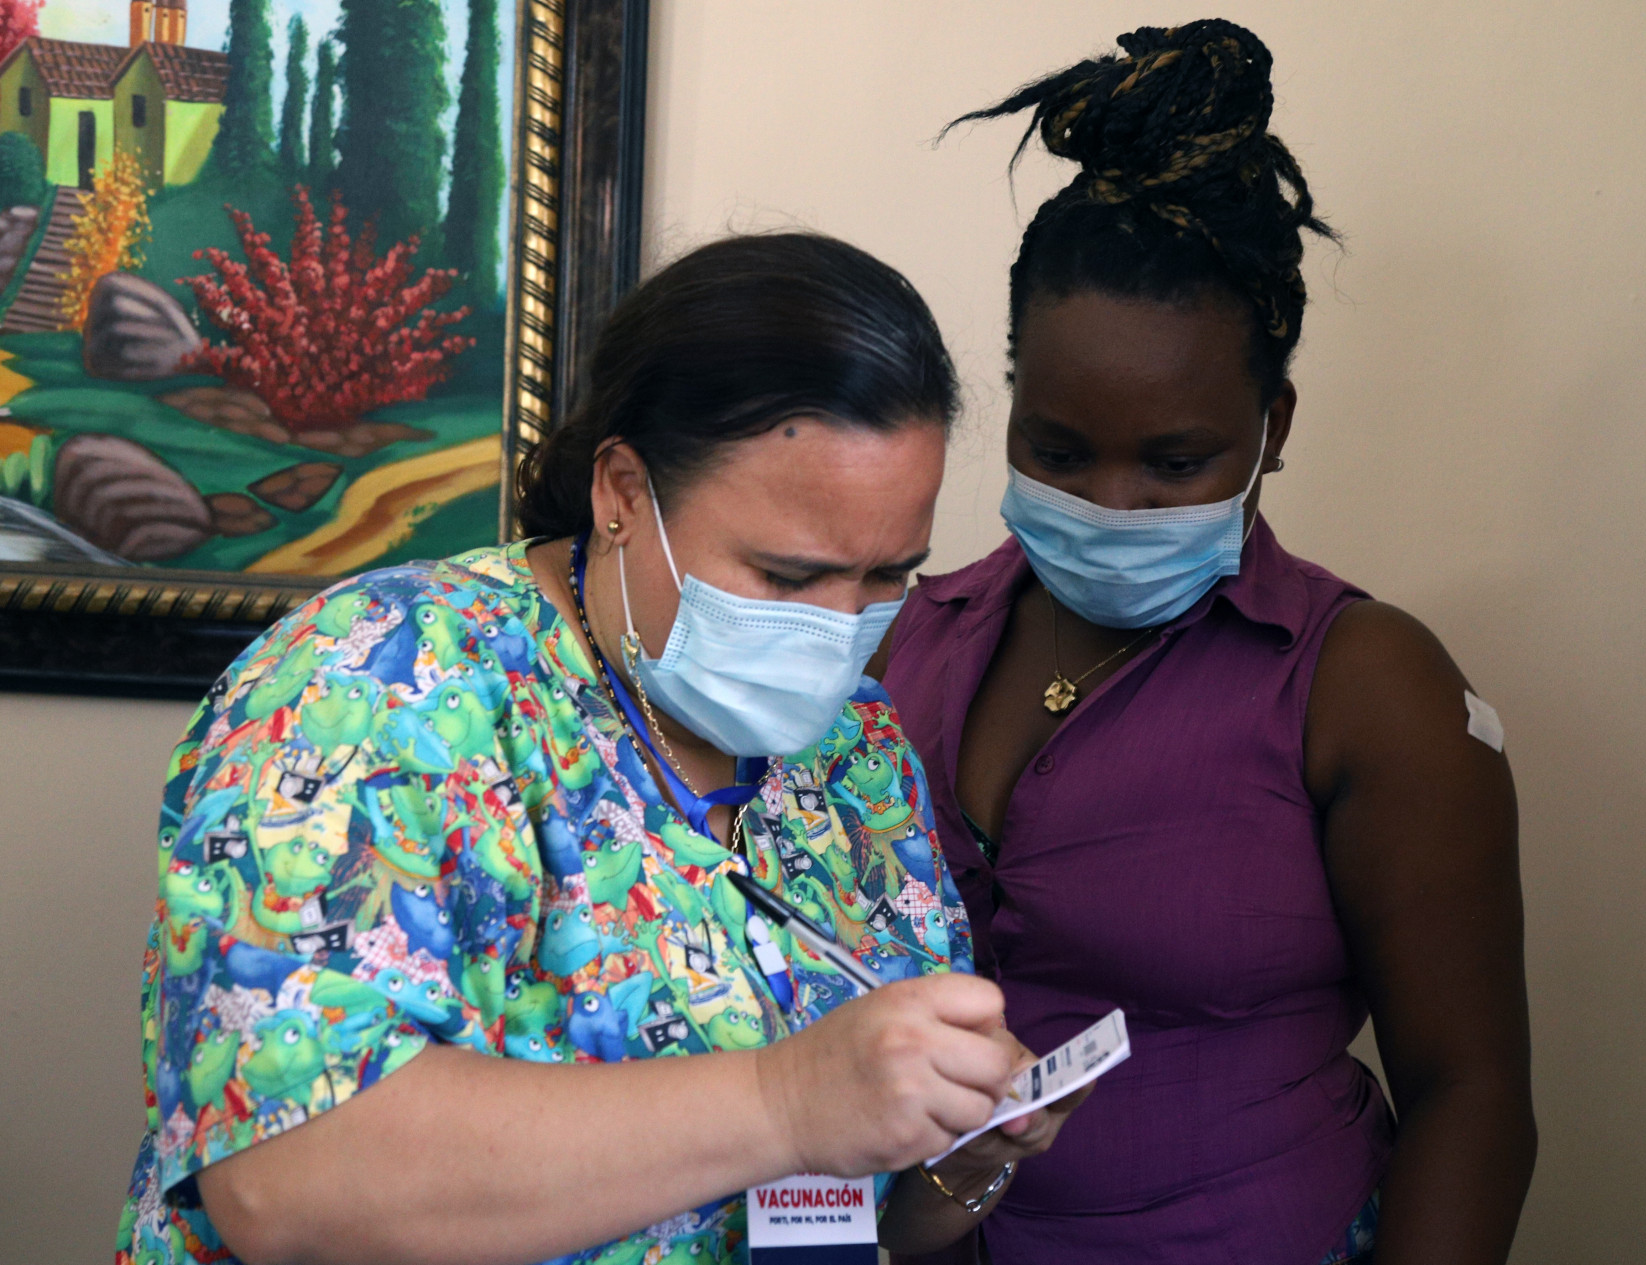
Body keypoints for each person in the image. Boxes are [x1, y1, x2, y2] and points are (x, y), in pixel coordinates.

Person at [115, 233, 1088, 1265]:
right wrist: (786, 1098)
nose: (840, 626)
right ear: (623, 491)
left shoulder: (857, 758)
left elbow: (870, 1210)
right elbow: (286, 1180)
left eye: (887, 573)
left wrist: (963, 1149)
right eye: (788, 576)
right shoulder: (379, 682)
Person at [882, 22, 1536, 1265]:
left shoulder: (1366, 687)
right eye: (1058, 449)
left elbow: (1474, 1095)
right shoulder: (911, 639)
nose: (1111, 503)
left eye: (1176, 461)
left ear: (1270, 426)